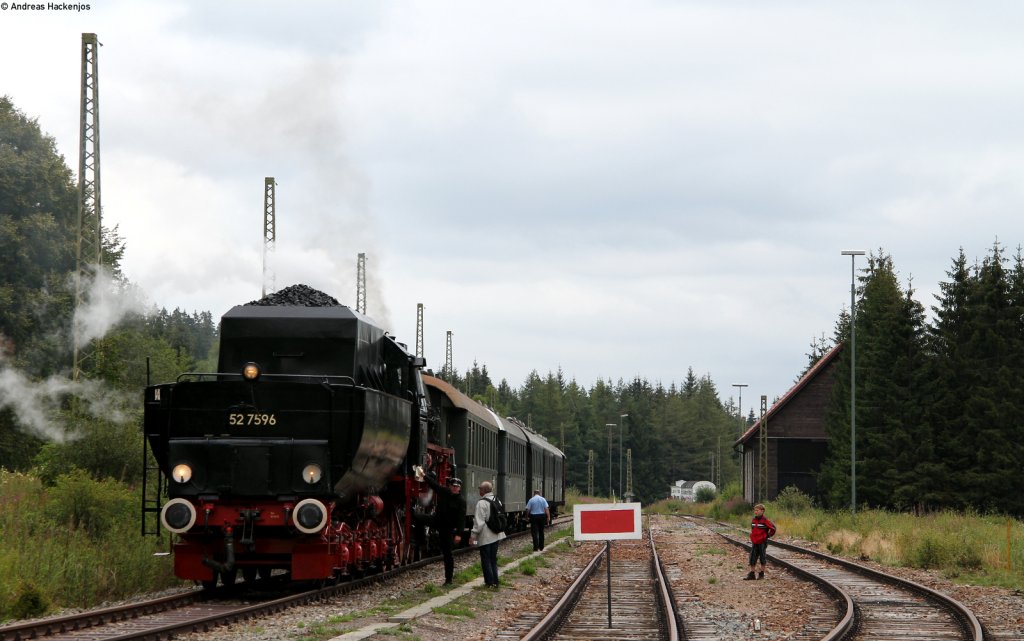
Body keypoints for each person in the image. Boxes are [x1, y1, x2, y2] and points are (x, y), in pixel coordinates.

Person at [422, 472, 467, 586]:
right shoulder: (445, 492)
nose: (454, 488)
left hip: (447, 528)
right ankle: (420, 539)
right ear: (450, 487)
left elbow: (461, 519)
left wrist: (459, 534)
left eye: (457, 487)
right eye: (453, 486)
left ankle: (449, 579)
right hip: (436, 521)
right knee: (417, 517)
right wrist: (423, 475)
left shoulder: (461, 501)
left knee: (447, 554)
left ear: (459, 488)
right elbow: (434, 485)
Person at [468, 480, 506, 588]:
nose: (479, 490)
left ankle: (489, 582)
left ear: (484, 490)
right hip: (497, 535)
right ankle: (495, 582)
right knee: (493, 559)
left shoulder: (481, 503)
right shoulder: (496, 500)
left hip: (486, 537)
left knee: (486, 560)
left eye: (480, 488)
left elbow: (478, 523)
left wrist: (473, 537)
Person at [744, 503, 776, 580]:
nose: (756, 512)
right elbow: (753, 530)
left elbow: (773, 529)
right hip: (755, 542)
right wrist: (753, 537)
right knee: (752, 557)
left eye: (757, 510)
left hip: (762, 542)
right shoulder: (753, 520)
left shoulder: (765, 520)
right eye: (755, 510)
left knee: (762, 557)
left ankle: (761, 574)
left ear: (762, 511)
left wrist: (767, 536)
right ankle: (752, 574)